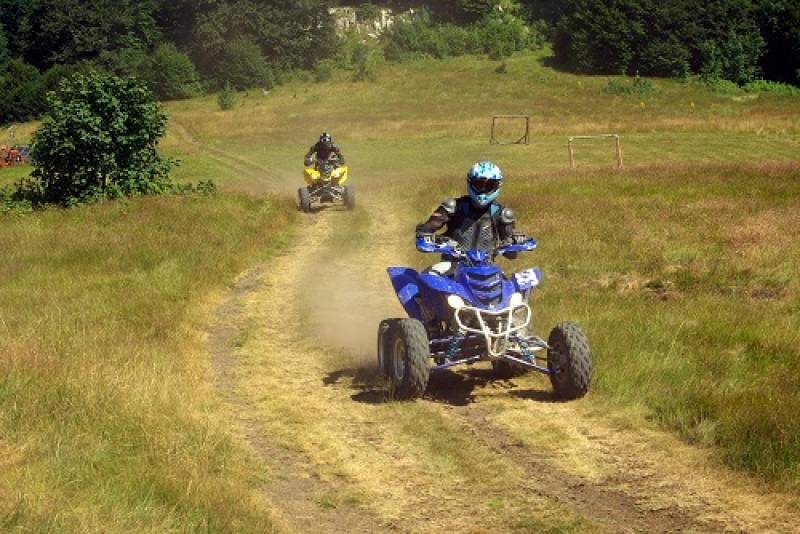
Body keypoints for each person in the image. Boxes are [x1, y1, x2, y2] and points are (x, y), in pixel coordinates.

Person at [415, 161, 525, 276]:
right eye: (479, 185)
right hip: (452, 264)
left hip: (486, 269)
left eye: (489, 186)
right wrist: (424, 235)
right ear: (470, 183)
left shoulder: (502, 214)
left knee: (509, 290)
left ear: (497, 186)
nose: (483, 190)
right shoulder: (454, 206)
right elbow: (427, 228)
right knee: (427, 278)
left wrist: (516, 242)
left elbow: (511, 255)